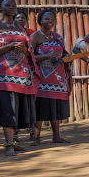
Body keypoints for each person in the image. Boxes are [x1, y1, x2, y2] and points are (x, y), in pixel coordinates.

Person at [0, 0, 36, 156]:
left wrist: (22, 49)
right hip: (2, 77)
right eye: (7, 5)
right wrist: (9, 46)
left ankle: (14, 142)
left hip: (20, 76)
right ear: (1, 7)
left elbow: (28, 52)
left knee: (16, 109)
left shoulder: (20, 29)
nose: (11, 7)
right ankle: (8, 145)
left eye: (13, 5)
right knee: (8, 109)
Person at [30, 9, 72, 145]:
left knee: (55, 107)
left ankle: (57, 136)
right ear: (40, 20)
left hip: (58, 79)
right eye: (47, 19)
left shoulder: (58, 37)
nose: (50, 21)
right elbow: (28, 57)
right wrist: (46, 56)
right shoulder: (35, 37)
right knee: (40, 107)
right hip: (41, 78)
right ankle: (36, 137)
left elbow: (63, 53)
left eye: (52, 19)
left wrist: (68, 57)